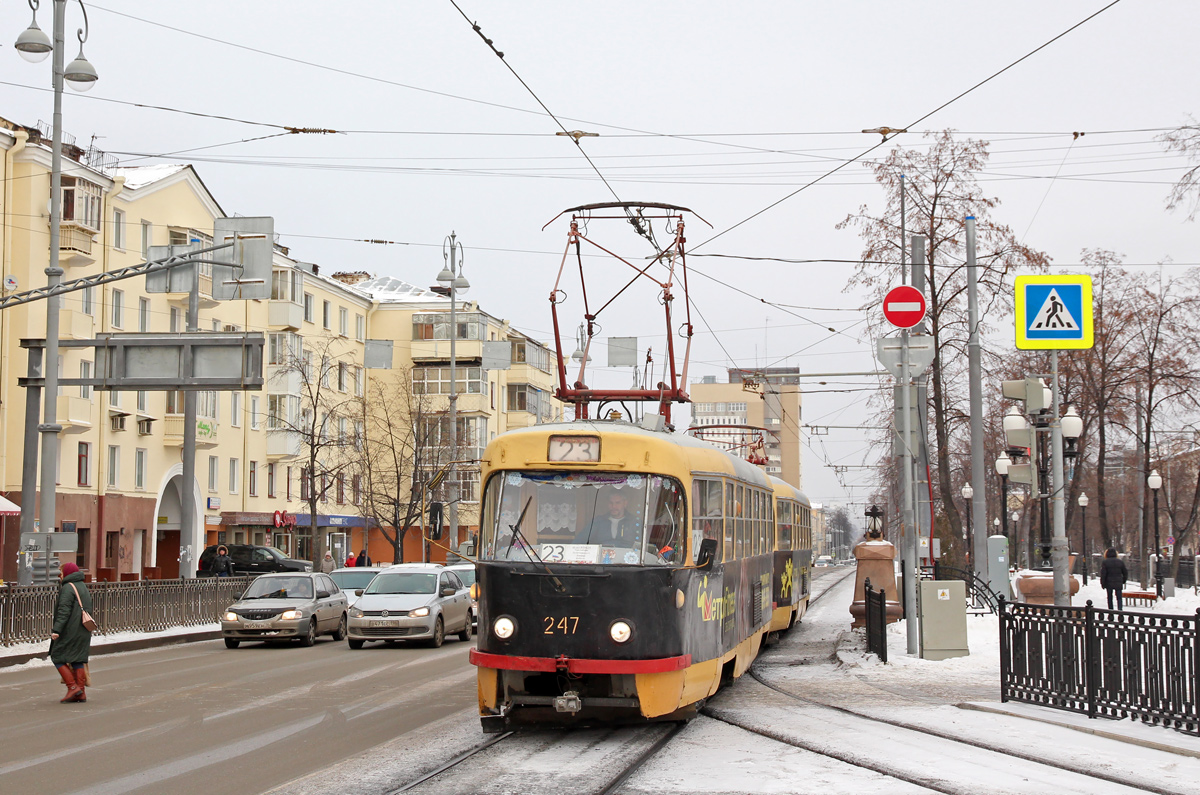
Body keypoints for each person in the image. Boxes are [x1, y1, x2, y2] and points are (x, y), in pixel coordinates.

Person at [50, 562, 92, 703]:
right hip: (83, 629)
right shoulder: (82, 586)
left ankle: (73, 687)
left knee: (57, 656)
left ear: (67, 573)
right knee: (77, 659)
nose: (60, 575)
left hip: (71, 630)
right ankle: (81, 692)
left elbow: (64, 611)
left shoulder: (68, 587)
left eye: (61, 572)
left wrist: (57, 630)